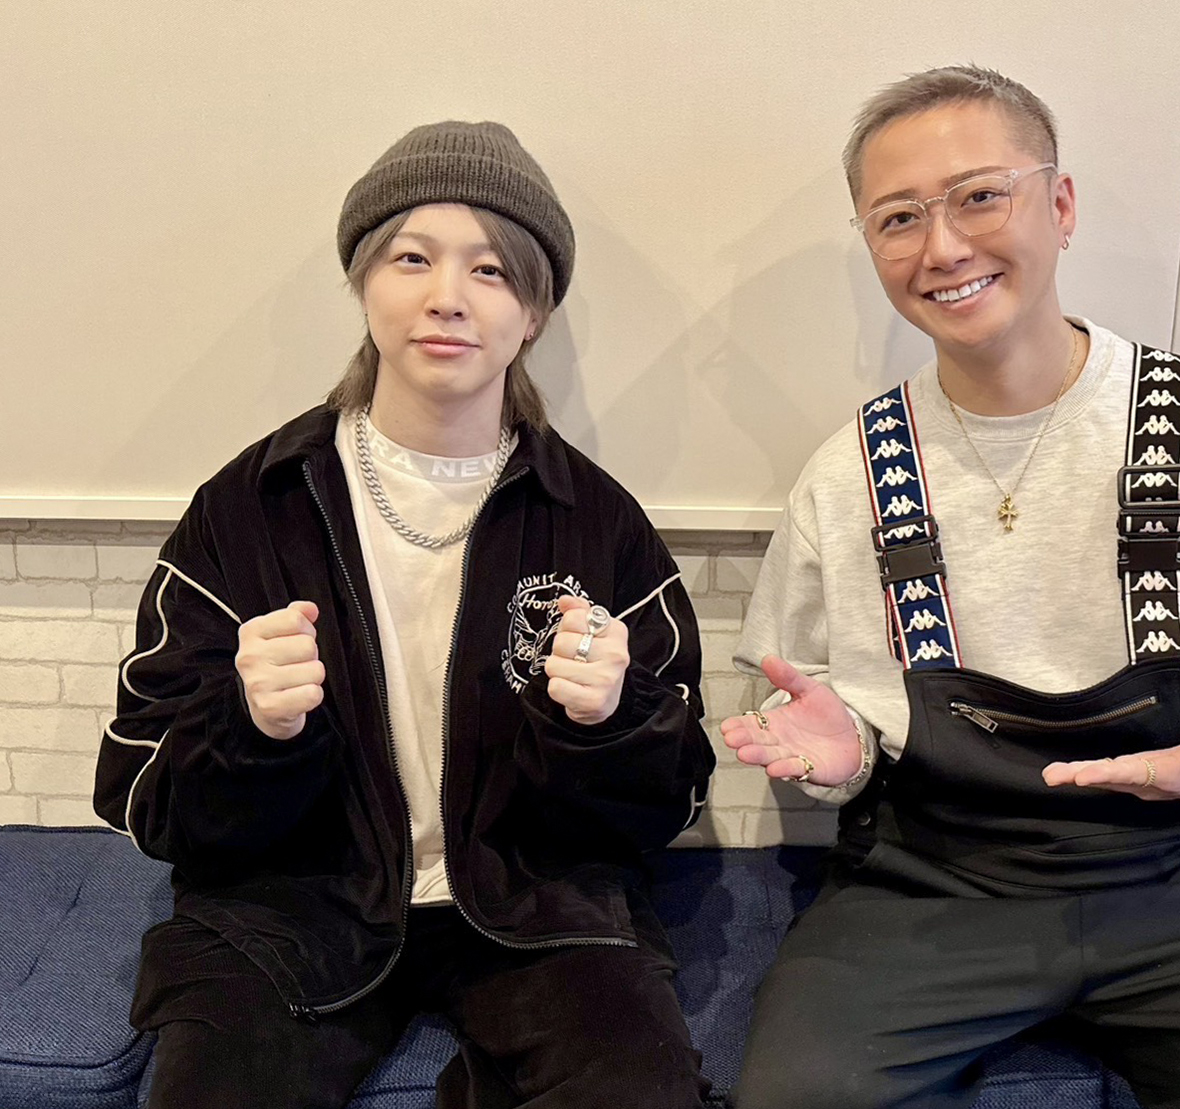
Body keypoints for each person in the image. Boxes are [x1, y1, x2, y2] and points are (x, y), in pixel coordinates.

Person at [722, 66, 1180, 1108]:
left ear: (1059, 206)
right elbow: (805, 699)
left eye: (979, 195)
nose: (942, 247)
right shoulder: (849, 473)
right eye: (898, 217)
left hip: (1173, 880)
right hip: (927, 888)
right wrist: (838, 753)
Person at [94, 120, 715, 1109]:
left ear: (533, 312)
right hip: (291, 914)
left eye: (491, 270)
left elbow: (673, 801)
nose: (447, 297)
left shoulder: (596, 521)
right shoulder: (250, 507)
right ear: (363, 282)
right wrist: (253, 730)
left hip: (538, 911)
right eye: (411, 258)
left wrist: (608, 723)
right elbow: (140, 791)